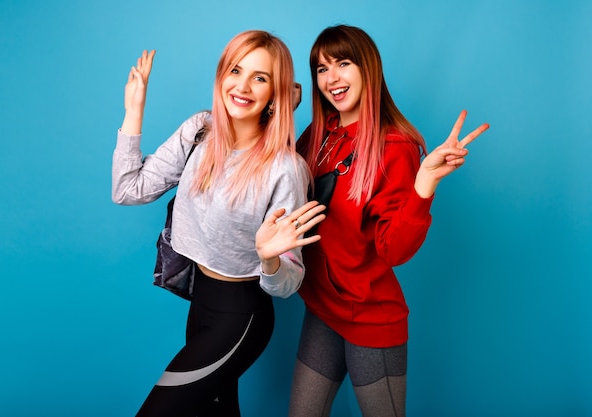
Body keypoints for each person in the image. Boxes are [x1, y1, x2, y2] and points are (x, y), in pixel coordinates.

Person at [111, 30, 325, 417]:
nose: (241, 86)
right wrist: (134, 111)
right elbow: (129, 189)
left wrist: (270, 258)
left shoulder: (286, 170)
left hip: (241, 317)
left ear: (275, 91)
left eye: (260, 78)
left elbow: (289, 283)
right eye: (235, 70)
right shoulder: (199, 131)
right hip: (201, 303)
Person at [288, 25, 490, 417]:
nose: (332, 79)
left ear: (368, 69)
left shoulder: (394, 145)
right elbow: (278, 186)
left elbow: (393, 249)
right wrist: (279, 107)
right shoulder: (320, 133)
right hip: (323, 306)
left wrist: (424, 185)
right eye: (321, 68)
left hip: (369, 318)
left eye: (343, 63)